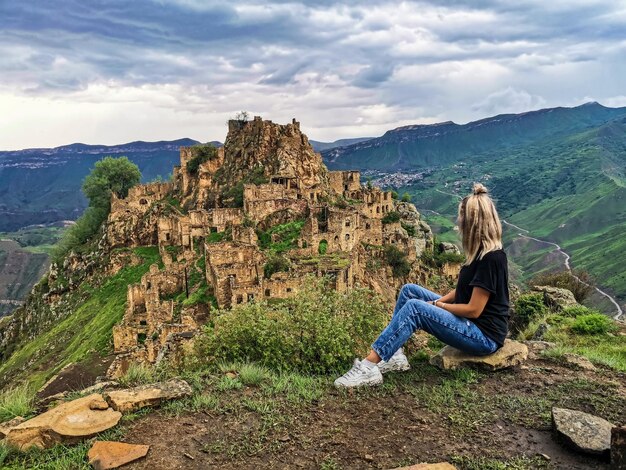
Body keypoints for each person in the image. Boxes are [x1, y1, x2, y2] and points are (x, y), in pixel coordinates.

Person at [335, 183, 510, 388]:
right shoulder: (479, 253)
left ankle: (368, 366)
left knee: (415, 308)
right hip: (471, 325)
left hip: (483, 336)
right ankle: (396, 356)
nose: (459, 222)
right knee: (409, 291)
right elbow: (463, 291)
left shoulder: (492, 259)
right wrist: (437, 301)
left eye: (462, 218)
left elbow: (473, 310)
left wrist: (437, 307)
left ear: (473, 223)